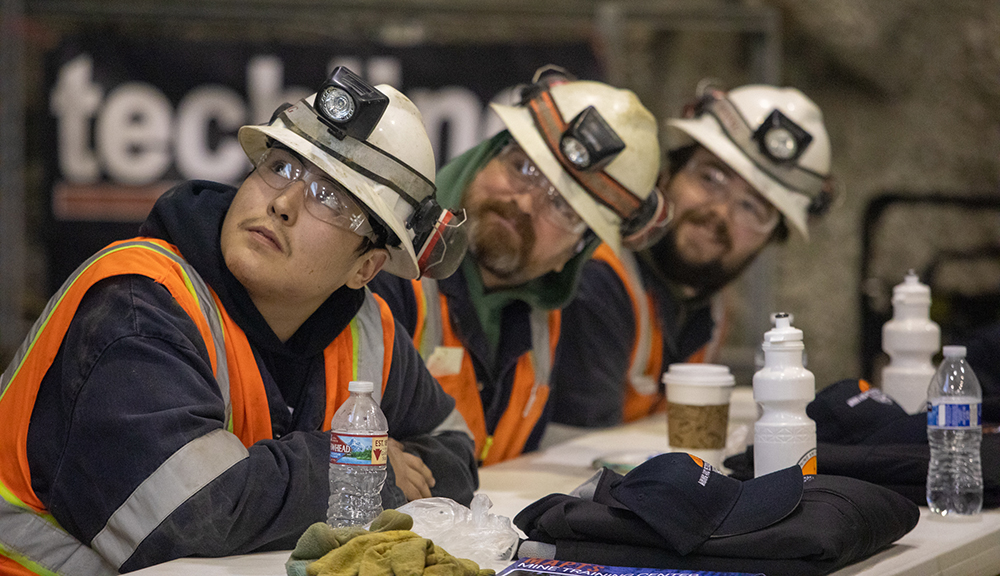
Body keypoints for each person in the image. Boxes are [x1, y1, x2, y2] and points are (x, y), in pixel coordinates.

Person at [0, 67, 477, 574]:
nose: (283, 203)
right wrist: (359, 466)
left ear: (366, 268)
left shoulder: (367, 329)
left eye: (332, 198)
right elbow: (184, 518)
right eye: (282, 167)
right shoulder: (137, 303)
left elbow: (454, 453)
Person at [370, 66, 667, 465]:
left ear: (579, 249)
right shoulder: (386, 272)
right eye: (522, 167)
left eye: (562, 206)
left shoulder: (547, 320)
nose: (526, 203)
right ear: (484, 156)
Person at [550, 82, 835, 426]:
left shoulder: (707, 304)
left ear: (770, 239)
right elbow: (581, 456)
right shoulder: (598, 282)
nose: (720, 212)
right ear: (666, 175)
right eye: (710, 178)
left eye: (751, 207)